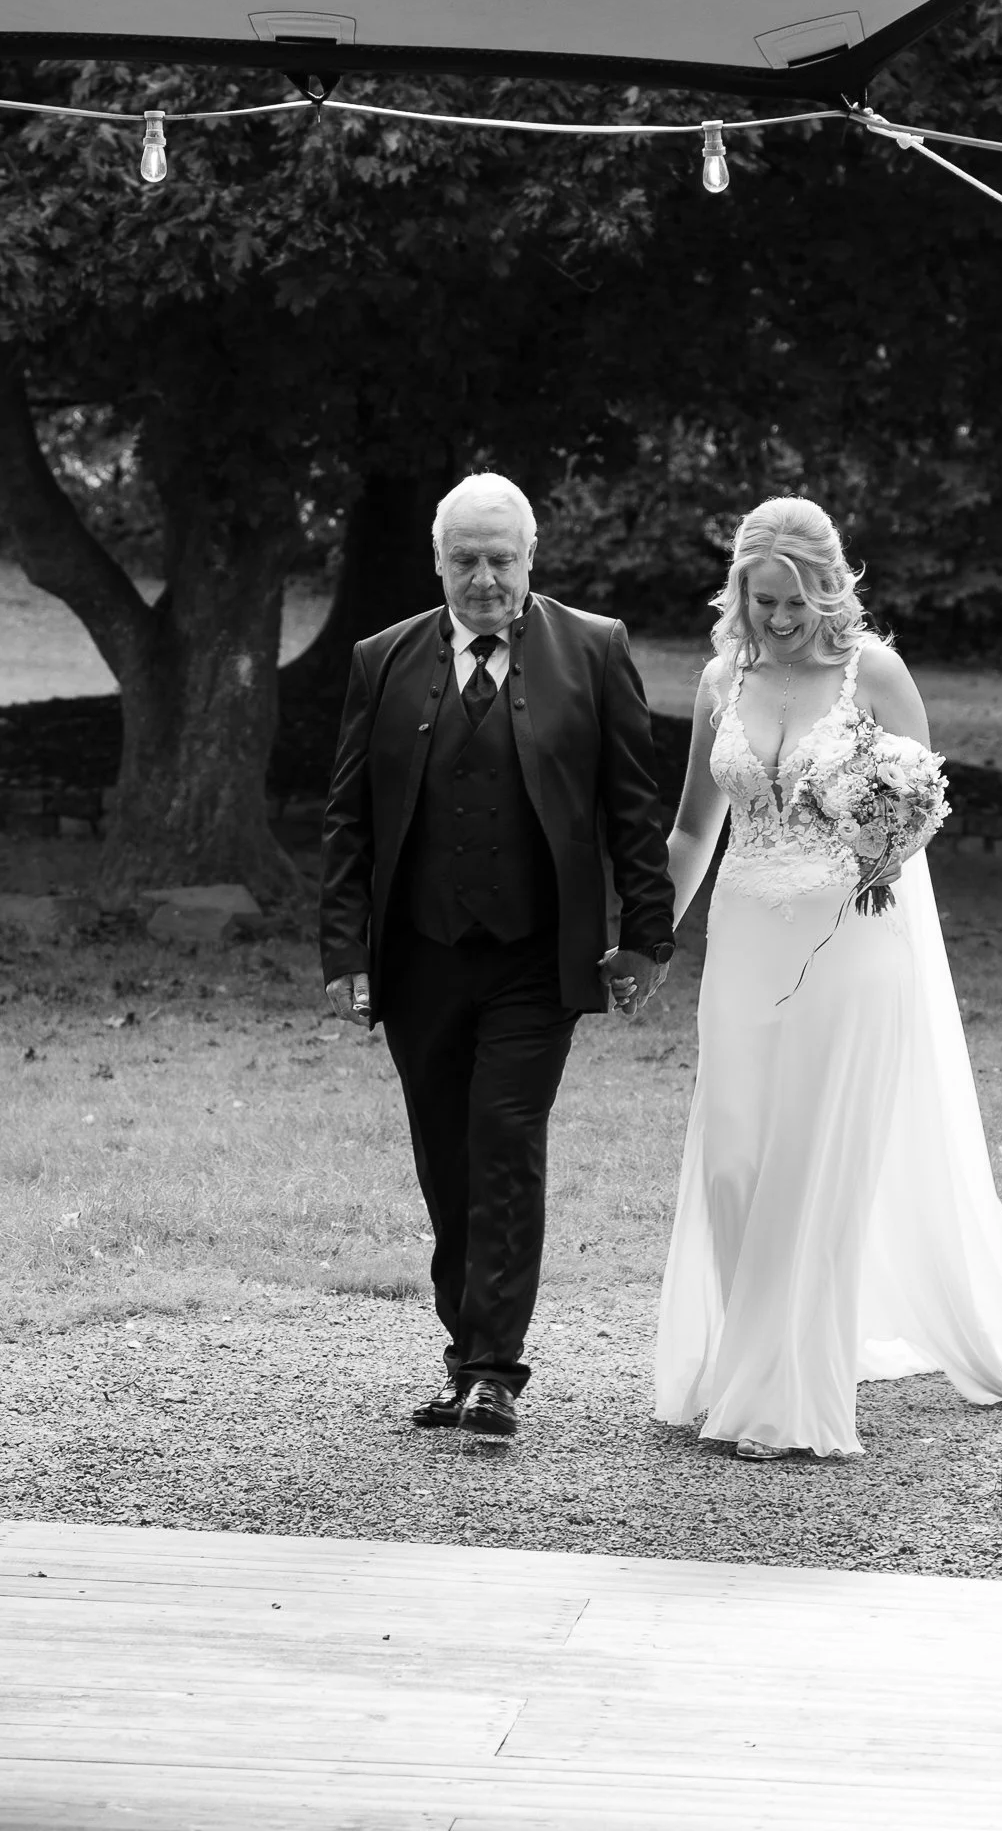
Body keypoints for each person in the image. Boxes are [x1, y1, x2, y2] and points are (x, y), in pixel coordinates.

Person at [654, 494, 1002, 1460]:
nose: (775, 617)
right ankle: (744, 1359)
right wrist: (650, 937)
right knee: (732, 1160)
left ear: (828, 587)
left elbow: (917, 811)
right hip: (742, 946)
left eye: (793, 599)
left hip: (848, 948)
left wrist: (882, 847)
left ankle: (781, 1395)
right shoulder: (724, 678)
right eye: (759, 598)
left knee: (809, 1163)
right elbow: (692, 830)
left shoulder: (874, 676)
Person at [320, 472, 675, 1441]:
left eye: (500, 559)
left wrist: (646, 932)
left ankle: (492, 1372)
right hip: (420, 955)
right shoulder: (380, 659)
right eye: (464, 560)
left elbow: (632, 805)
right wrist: (343, 950)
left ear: (530, 560)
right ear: (437, 562)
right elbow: (349, 818)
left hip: (534, 956)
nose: (483, 578)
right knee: (446, 1157)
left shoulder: (594, 650)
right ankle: (462, 1353)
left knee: (505, 1142)